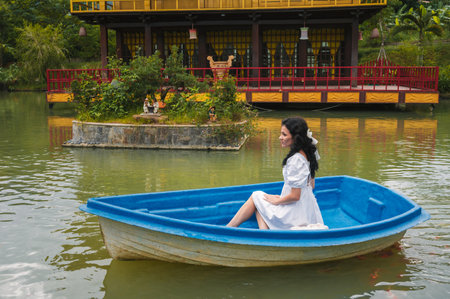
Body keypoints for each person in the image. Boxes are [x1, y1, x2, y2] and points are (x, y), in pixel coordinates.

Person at [226, 117, 326, 230]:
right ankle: (264, 233)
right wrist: (283, 196)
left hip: (294, 214)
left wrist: (279, 200)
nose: (280, 138)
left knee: (256, 196)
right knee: (260, 204)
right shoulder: (309, 153)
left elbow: (295, 196)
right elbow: (311, 186)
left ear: (295, 137)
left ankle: (228, 228)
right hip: (307, 210)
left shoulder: (295, 160)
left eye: (284, 135)